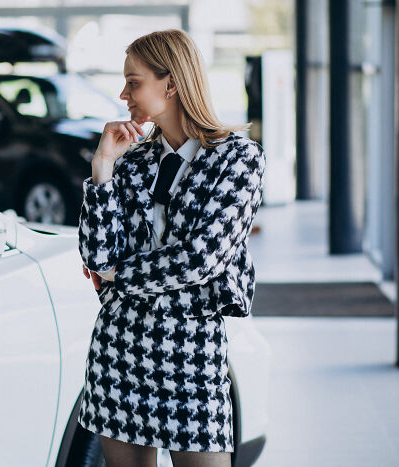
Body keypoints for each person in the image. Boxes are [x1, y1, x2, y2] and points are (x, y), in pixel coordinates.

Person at [77, 29, 266, 467]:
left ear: (172, 83)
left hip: (193, 351)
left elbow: (201, 258)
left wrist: (119, 276)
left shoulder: (238, 159)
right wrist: (103, 167)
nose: (123, 94)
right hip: (119, 349)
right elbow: (97, 255)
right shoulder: (132, 159)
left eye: (133, 81)